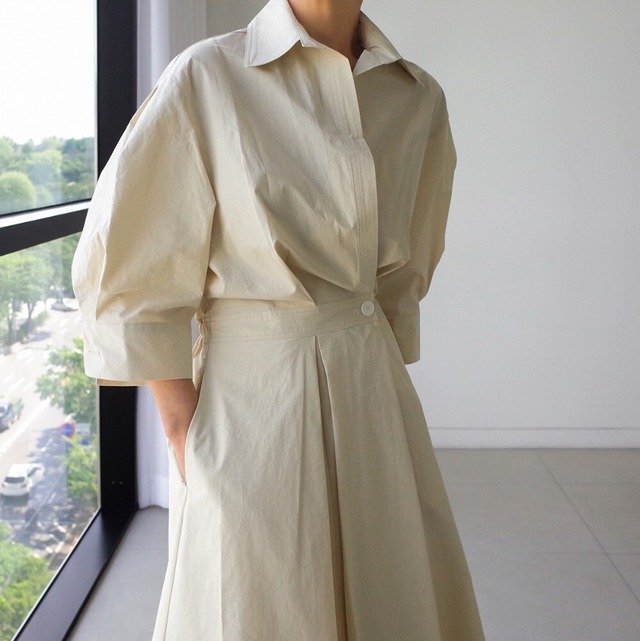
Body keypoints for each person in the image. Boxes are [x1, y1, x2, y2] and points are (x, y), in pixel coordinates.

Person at [72, 0, 485, 639]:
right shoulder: (209, 76)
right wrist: (182, 433)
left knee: (390, 589)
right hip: (251, 403)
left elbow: (411, 259)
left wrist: (381, 370)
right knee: (258, 603)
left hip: (374, 391)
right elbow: (132, 263)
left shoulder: (416, 96)